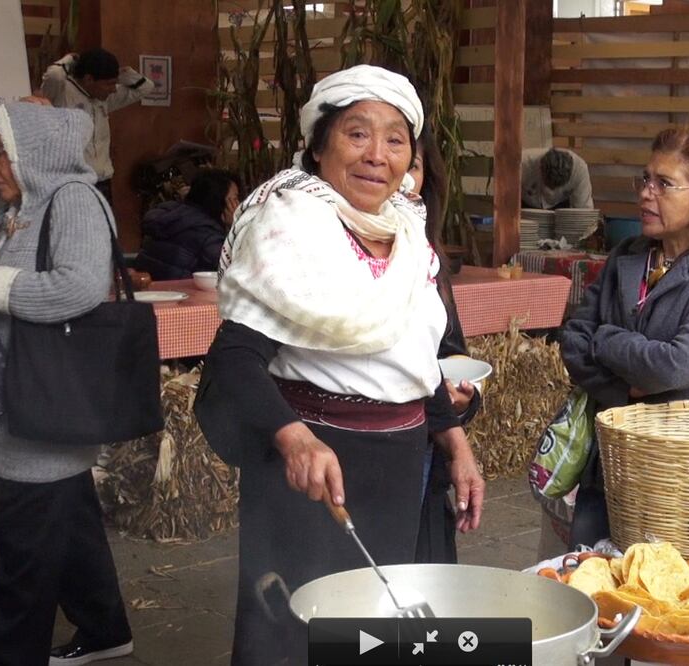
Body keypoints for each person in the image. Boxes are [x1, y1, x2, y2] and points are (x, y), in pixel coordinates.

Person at [201, 65, 485, 665]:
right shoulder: (288, 228)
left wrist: (456, 446)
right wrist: (294, 439)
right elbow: (233, 360)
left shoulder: (410, 237)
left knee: (373, 628)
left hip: (399, 464)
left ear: (411, 156)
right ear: (319, 143)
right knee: (290, 626)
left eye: (394, 139)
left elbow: (415, 358)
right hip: (312, 465)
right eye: (357, 134)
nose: (376, 155)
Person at [0, 99, 132, 666]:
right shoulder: (15, 202)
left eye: (3, 155)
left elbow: (80, 288)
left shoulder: (70, 201)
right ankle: (105, 630)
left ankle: (10, 655)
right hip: (26, 394)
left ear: (34, 156)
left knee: (23, 551)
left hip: (44, 401)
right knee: (67, 521)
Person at [558, 126, 689, 547]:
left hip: (684, 478)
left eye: (664, 183)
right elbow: (573, 338)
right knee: (592, 587)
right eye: (645, 179)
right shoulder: (629, 255)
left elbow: (674, 365)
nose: (646, 193)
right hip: (610, 464)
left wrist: (607, 339)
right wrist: (624, 389)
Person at [407, 126, 482, 564]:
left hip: (425, 455)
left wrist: (462, 398)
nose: (398, 177)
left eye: (412, 166)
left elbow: (451, 351)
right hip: (361, 467)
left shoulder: (429, 260)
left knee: (425, 612)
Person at [39, 48, 154, 201]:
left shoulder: (105, 98)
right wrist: (70, 59)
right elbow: (54, 75)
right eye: (109, 84)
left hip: (102, 183)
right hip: (72, 185)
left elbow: (146, 87)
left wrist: (123, 73)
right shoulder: (60, 92)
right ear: (88, 79)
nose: (114, 90)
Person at [132, 168, 241, 280]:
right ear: (218, 201)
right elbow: (241, 269)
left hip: (144, 291)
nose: (239, 205)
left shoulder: (170, 216)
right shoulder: (207, 235)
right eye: (235, 198)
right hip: (180, 294)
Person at [520, 146, 594, 209]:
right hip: (526, 205)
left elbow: (583, 208)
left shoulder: (580, 170)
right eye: (548, 184)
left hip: (560, 208)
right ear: (540, 167)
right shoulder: (522, 163)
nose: (549, 191)